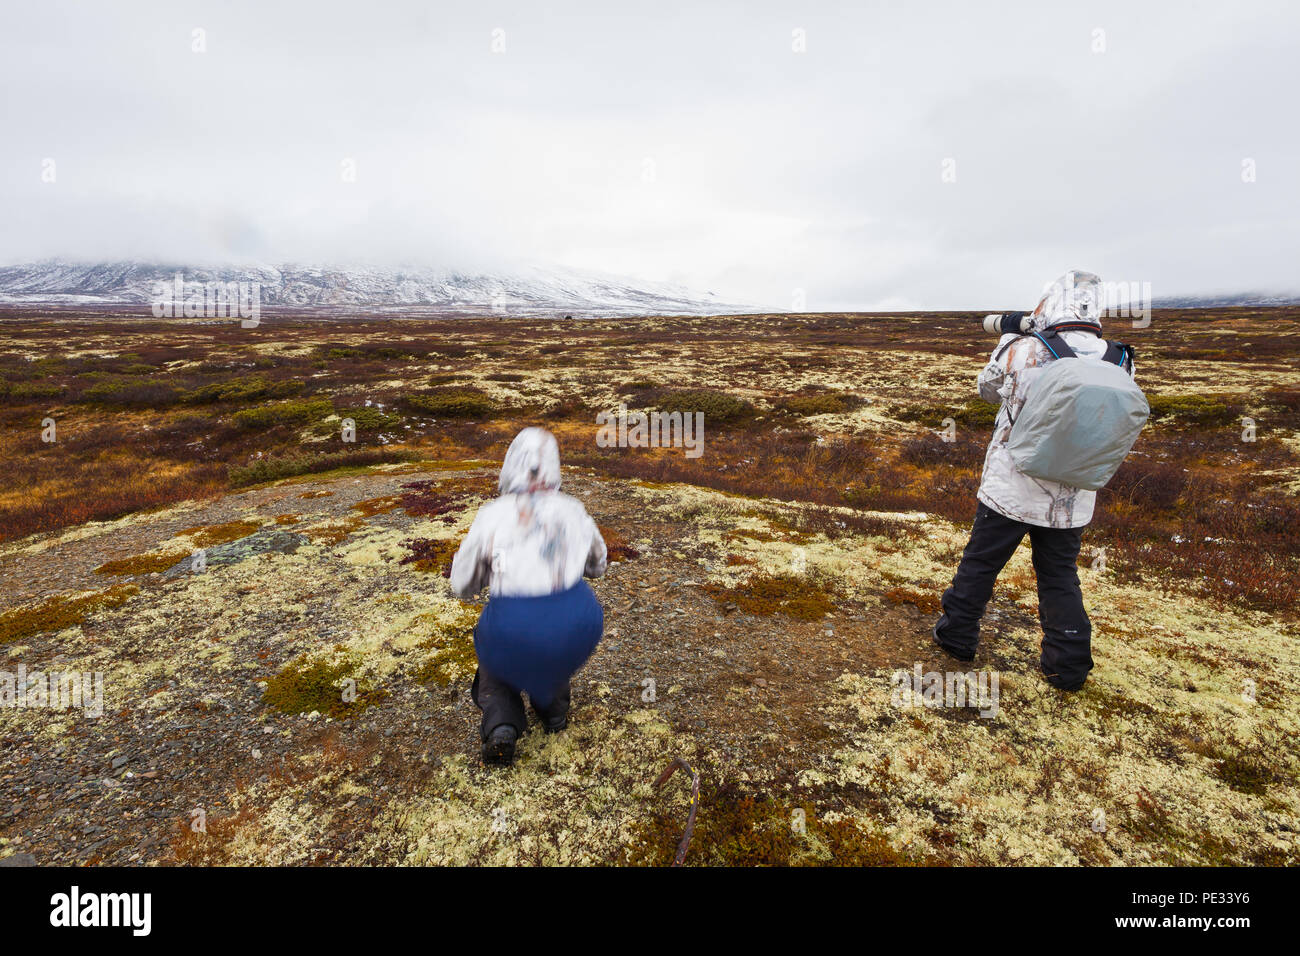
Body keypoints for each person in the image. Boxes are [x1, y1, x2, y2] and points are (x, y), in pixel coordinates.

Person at [933, 271, 1136, 691]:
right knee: (1060, 575)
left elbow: (987, 389)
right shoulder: (1119, 357)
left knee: (981, 564)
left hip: (1011, 487)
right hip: (1074, 492)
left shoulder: (1026, 348)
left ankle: (956, 636)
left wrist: (1008, 336)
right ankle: (1068, 665)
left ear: (1048, 303)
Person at [450, 427, 608, 765]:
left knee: (497, 644)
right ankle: (553, 713)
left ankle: (502, 724)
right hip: (579, 619)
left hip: (516, 623)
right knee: (553, 641)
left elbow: (462, 583)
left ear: (510, 465)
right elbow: (598, 564)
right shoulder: (573, 510)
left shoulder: (492, 516)